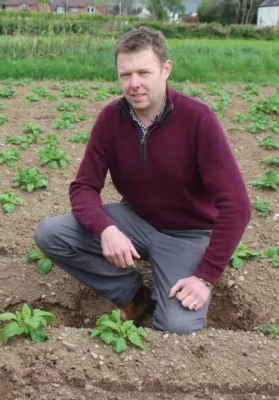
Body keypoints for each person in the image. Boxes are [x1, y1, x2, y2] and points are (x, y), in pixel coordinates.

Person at [34, 27, 251, 335]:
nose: (133, 84)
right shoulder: (111, 119)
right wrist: (107, 229)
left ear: (166, 69)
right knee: (52, 233)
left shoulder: (198, 120)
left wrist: (205, 276)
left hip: (188, 235)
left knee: (178, 327)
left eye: (144, 73)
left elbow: (237, 206)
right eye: (125, 74)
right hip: (136, 221)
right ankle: (134, 296)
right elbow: (83, 187)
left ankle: (176, 284)